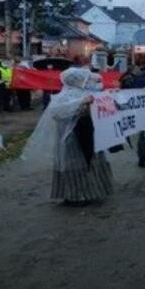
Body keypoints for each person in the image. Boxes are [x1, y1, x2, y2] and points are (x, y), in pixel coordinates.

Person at [24, 68, 113, 206]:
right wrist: (81, 103)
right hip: (71, 136)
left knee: (90, 161)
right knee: (75, 164)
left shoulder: (87, 92)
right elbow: (57, 112)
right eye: (83, 79)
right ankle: (75, 195)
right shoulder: (64, 96)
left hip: (88, 133)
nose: (86, 81)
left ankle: (92, 192)